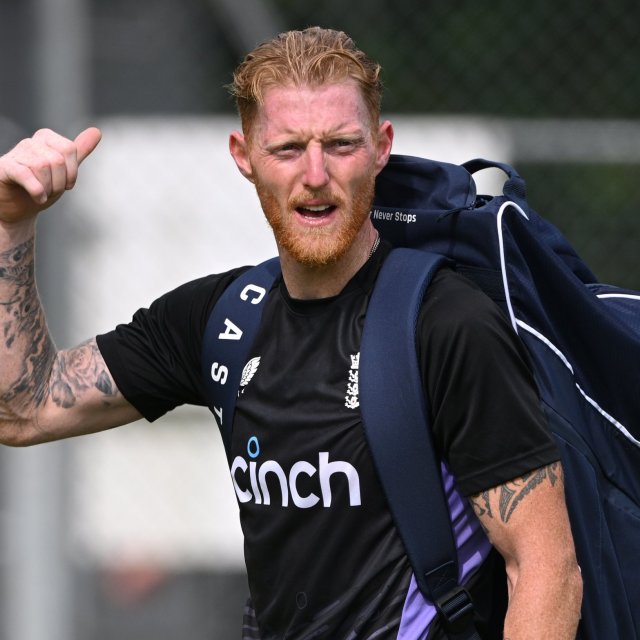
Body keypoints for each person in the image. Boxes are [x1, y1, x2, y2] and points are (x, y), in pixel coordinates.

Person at [0, 26, 582, 640]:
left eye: (340, 144)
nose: (315, 173)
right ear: (243, 156)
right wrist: (11, 223)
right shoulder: (222, 317)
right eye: (286, 148)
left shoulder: (445, 322)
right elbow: (23, 407)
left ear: (381, 148)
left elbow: (545, 569)